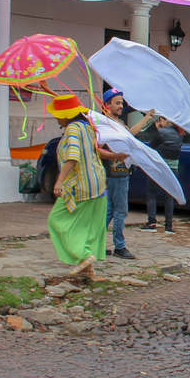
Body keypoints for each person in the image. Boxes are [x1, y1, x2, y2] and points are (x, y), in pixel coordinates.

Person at [48, 94, 128, 281]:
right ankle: (89, 270)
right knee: (87, 225)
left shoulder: (73, 129)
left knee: (57, 220)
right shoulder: (87, 126)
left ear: (66, 115)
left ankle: (83, 256)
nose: (56, 117)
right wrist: (115, 156)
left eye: (58, 114)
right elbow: (96, 151)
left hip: (79, 186)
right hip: (97, 184)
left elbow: (73, 156)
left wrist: (59, 181)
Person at [100, 88, 155, 260]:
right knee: (120, 211)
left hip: (117, 172)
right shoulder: (109, 123)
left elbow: (130, 134)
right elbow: (128, 136)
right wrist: (146, 118)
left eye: (122, 103)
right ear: (107, 105)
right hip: (117, 172)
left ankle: (97, 244)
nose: (121, 106)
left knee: (109, 210)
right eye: (117, 103)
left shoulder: (115, 122)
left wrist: (146, 118)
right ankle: (119, 246)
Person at [140, 117, 182, 235]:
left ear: (166, 121)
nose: (159, 122)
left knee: (152, 194)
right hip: (173, 168)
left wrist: (158, 130)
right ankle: (168, 226)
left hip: (159, 167)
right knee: (169, 197)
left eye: (161, 120)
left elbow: (151, 147)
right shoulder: (179, 134)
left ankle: (152, 222)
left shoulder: (161, 133)